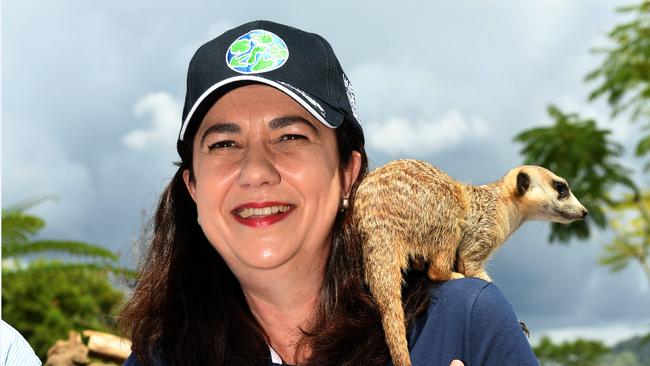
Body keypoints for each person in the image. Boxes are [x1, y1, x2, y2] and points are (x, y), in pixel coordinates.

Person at [120, 20, 538, 366]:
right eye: (224, 144)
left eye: (289, 136)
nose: (255, 172)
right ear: (193, 187)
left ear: (347, 172)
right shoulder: (160, 357)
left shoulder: (464, 323)